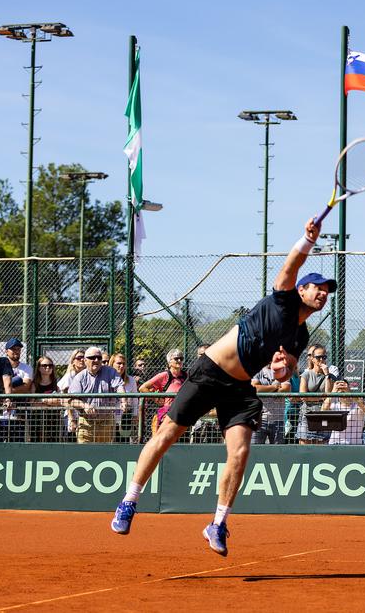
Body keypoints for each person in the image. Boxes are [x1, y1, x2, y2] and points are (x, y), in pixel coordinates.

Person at [112, 218, 335, 557]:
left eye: (327, 290)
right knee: (167, 433)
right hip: (210, 371)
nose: (323, 293)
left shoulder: (300, 335)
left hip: (240, 387)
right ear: (301, 290)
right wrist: (306, 241)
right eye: (317, 287)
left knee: (241, 452)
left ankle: (218, 523)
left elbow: (283, 371)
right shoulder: (283, 300)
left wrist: (281, 367)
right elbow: (292, 265)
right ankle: (129, 501)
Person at [67, 346, 122, 444]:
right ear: (85, 360)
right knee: (84, 453)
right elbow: (72, 400)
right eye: (92, 357)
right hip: (86, 422)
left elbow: (120, 387)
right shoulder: (79, 377)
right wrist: (84, 405)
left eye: (99, 357)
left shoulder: (110, 371)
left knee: (105, 453)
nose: (96, 360)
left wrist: (124, 400)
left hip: (106, 421)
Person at [139, 349, 188, 437]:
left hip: (183, 414)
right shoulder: (165, 376)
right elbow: (143, 388)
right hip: (168, 415)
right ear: (169, 362)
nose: (179, 361)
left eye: (181, 358)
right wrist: (156, 398)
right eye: (176, 358)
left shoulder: (186, 377)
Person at [297, 345, 337, 444]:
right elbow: (303, 396)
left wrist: (327, 375)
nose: (321, 359)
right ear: (313, 359)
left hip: (324, 414)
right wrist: (321, 397)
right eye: (318, 357)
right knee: (304, 449)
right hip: (308, 414)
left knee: (321, 449)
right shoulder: (306, 375)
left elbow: (329, 395)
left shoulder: (331, 377)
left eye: (324, 357)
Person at [250, 351, 292, 445]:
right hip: (259, 418)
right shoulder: (258, 370)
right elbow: (255, 388)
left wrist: (264, 389)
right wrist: (275, 387)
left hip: (278, 419)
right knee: (255, 450)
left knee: (278, 453)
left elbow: (286, 389)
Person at [1, 338, 32, 442]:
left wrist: (6, 391)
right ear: (6, 351)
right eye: (13, 349)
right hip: (0, 411)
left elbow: (26, 386)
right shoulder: (0, 366)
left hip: (18, 411)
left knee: (17, 441)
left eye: (18, 349)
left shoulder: (26, 368)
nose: (16, 351)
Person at [323, 380, 365, 445]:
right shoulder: (334, 404)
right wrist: (333, 392)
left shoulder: (357, 403)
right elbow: (323, 410)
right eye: (340, 389)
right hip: (335, 443)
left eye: (344, 387)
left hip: (353, 445)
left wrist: (349, 392)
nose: (342, 391)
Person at [31, 355, 62, 443]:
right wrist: (49, 401)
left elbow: (59, 402)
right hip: (37, 419)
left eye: (50, 365)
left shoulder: (55, 384)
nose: (48, 367)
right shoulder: (35, 384)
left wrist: (42, 400)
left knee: (53, 442)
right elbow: (32, 403)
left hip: (53, 419)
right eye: (44, 365)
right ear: (39, 368)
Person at [109, 353, 139, 444]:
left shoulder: (131, 380)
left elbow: (135, 400)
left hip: (125, 419)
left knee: (124, 444)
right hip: (110, 418)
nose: (121, 366)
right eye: (119, 363)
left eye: (123, 364)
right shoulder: (107, 379)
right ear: (112, 364)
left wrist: (135, 414)